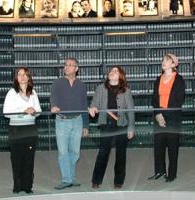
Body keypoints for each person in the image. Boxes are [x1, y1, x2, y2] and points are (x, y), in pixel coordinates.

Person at [88, 66, 135, 189]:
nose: (111, 72)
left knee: (121, 154)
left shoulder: (126, 90)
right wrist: (92, 108)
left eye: (115, 71)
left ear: (120, 76)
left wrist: (131, 127)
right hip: (106, 123)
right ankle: (96, 180)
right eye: (111, 71)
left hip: (121, 124)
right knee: (103, 153)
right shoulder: (100, 88)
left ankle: (118, 181)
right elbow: (94, 103)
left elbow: (130, 110)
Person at [51, 57, 89, 190]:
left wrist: (85, 125)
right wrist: (54, 106)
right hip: (62, 121)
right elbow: (53, 98)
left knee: (75, 152)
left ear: (76, 69)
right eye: (65, 65)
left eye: (70, 65)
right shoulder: (57, 83)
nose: (66, 67)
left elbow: (85, 105)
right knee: (63, 152)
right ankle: (67, 179)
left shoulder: (82, 86)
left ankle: (72, 177)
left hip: (78, 121)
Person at [3, 67, 41, 195]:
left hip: (30, 129)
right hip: (16, 129)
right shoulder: (11, 93)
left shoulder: (33, 93)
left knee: (29, 158)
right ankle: (17, 186)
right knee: (16, 158)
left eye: (25, 75)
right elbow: (6, 112)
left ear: (29, 77)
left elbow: (38, 111)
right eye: (19, 74)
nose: (22, 77)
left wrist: (33, 112)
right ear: (16, 78)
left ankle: (27, 186)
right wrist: (23, 111)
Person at [150, 53, 185, 182]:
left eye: (167, 60)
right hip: (158, 116)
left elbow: (179, 100)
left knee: (172, 146)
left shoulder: (179, 80)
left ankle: (172, 174)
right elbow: (154, 98)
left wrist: (165, 114)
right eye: (163, 60)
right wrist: (158, 114)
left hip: (173, 117)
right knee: (158, 145)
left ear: (174, 64)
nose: (163, 62)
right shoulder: (158, 79)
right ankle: (159, 171)